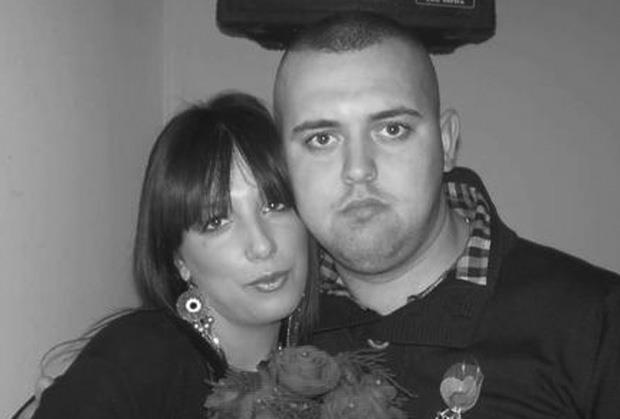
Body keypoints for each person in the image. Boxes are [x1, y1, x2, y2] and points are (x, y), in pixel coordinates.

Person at [273, 12, 620, 419]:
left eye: (392, 129)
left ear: (447, 141)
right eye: (322, 139)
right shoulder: (264, 326)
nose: (358, 169)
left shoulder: (598, 325)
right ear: (281, 164)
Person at [24, 91, 317, 418]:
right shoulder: (138, 360)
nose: (262, 245)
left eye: (275, 204)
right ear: (179, 261)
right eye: (216, 222)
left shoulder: (340, 344)